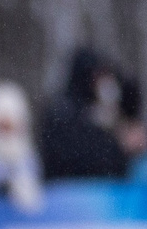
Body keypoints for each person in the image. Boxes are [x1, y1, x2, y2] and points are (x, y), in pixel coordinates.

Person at [39, 47, 136, 181]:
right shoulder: (63, 112)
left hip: (102, 189)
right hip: (70, 191)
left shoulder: (105, 114)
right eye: (96, 76)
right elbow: (71, 159)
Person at [0, 82, 43, 210]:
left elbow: (32, 189)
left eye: (11, 125)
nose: (7, 129)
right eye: (3, 124)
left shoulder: (24, 152)